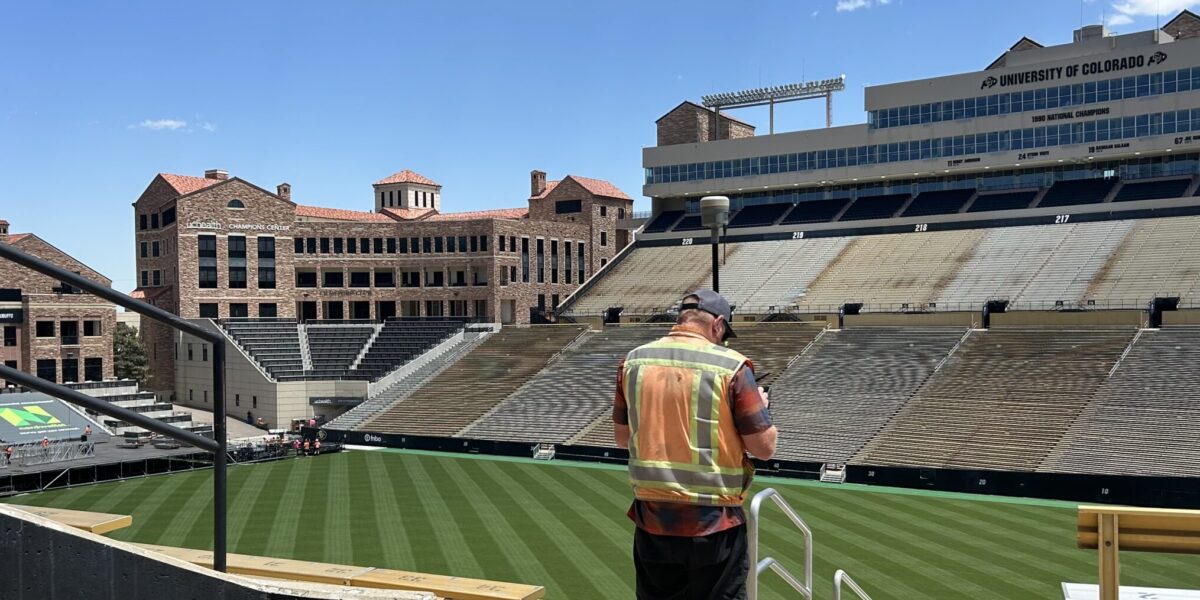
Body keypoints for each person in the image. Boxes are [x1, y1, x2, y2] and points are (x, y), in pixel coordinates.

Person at [613, 288, 777, 600]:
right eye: (724, 333)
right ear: (717, 324)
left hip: (653, 522)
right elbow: (764, 448)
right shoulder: (732, 367)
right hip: (715, 524)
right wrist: (763, 407)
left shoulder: (633, 362)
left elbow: (622, 439)